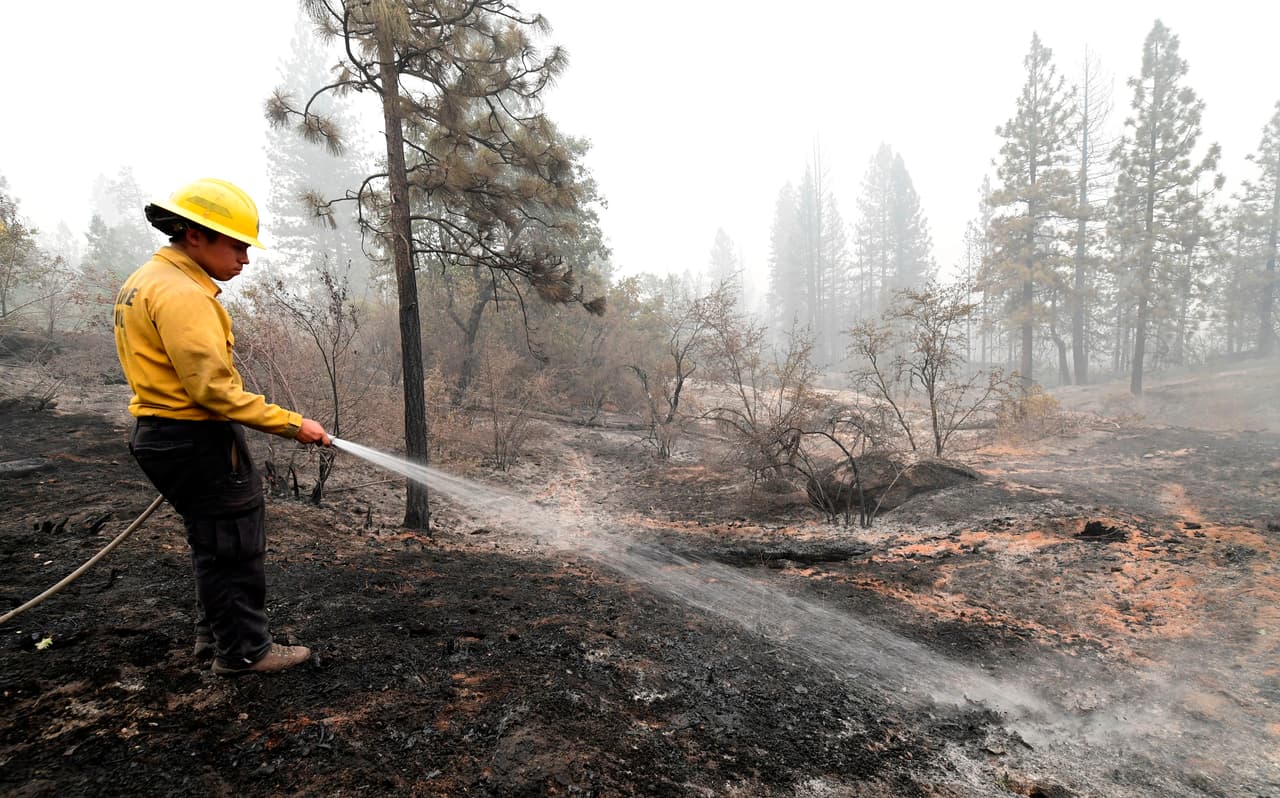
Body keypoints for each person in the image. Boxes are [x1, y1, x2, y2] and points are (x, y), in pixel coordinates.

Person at [113, 177, 330, 677]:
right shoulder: (182, 295)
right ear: (194, 235)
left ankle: (216, 636)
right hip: (197, 440)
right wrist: (294, 424)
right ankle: (245, 653)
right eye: (236, 246)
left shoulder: (145, 280)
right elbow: (213, 391)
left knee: (213, 542)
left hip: (164, 436)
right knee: (234, 544)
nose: (245, 260)